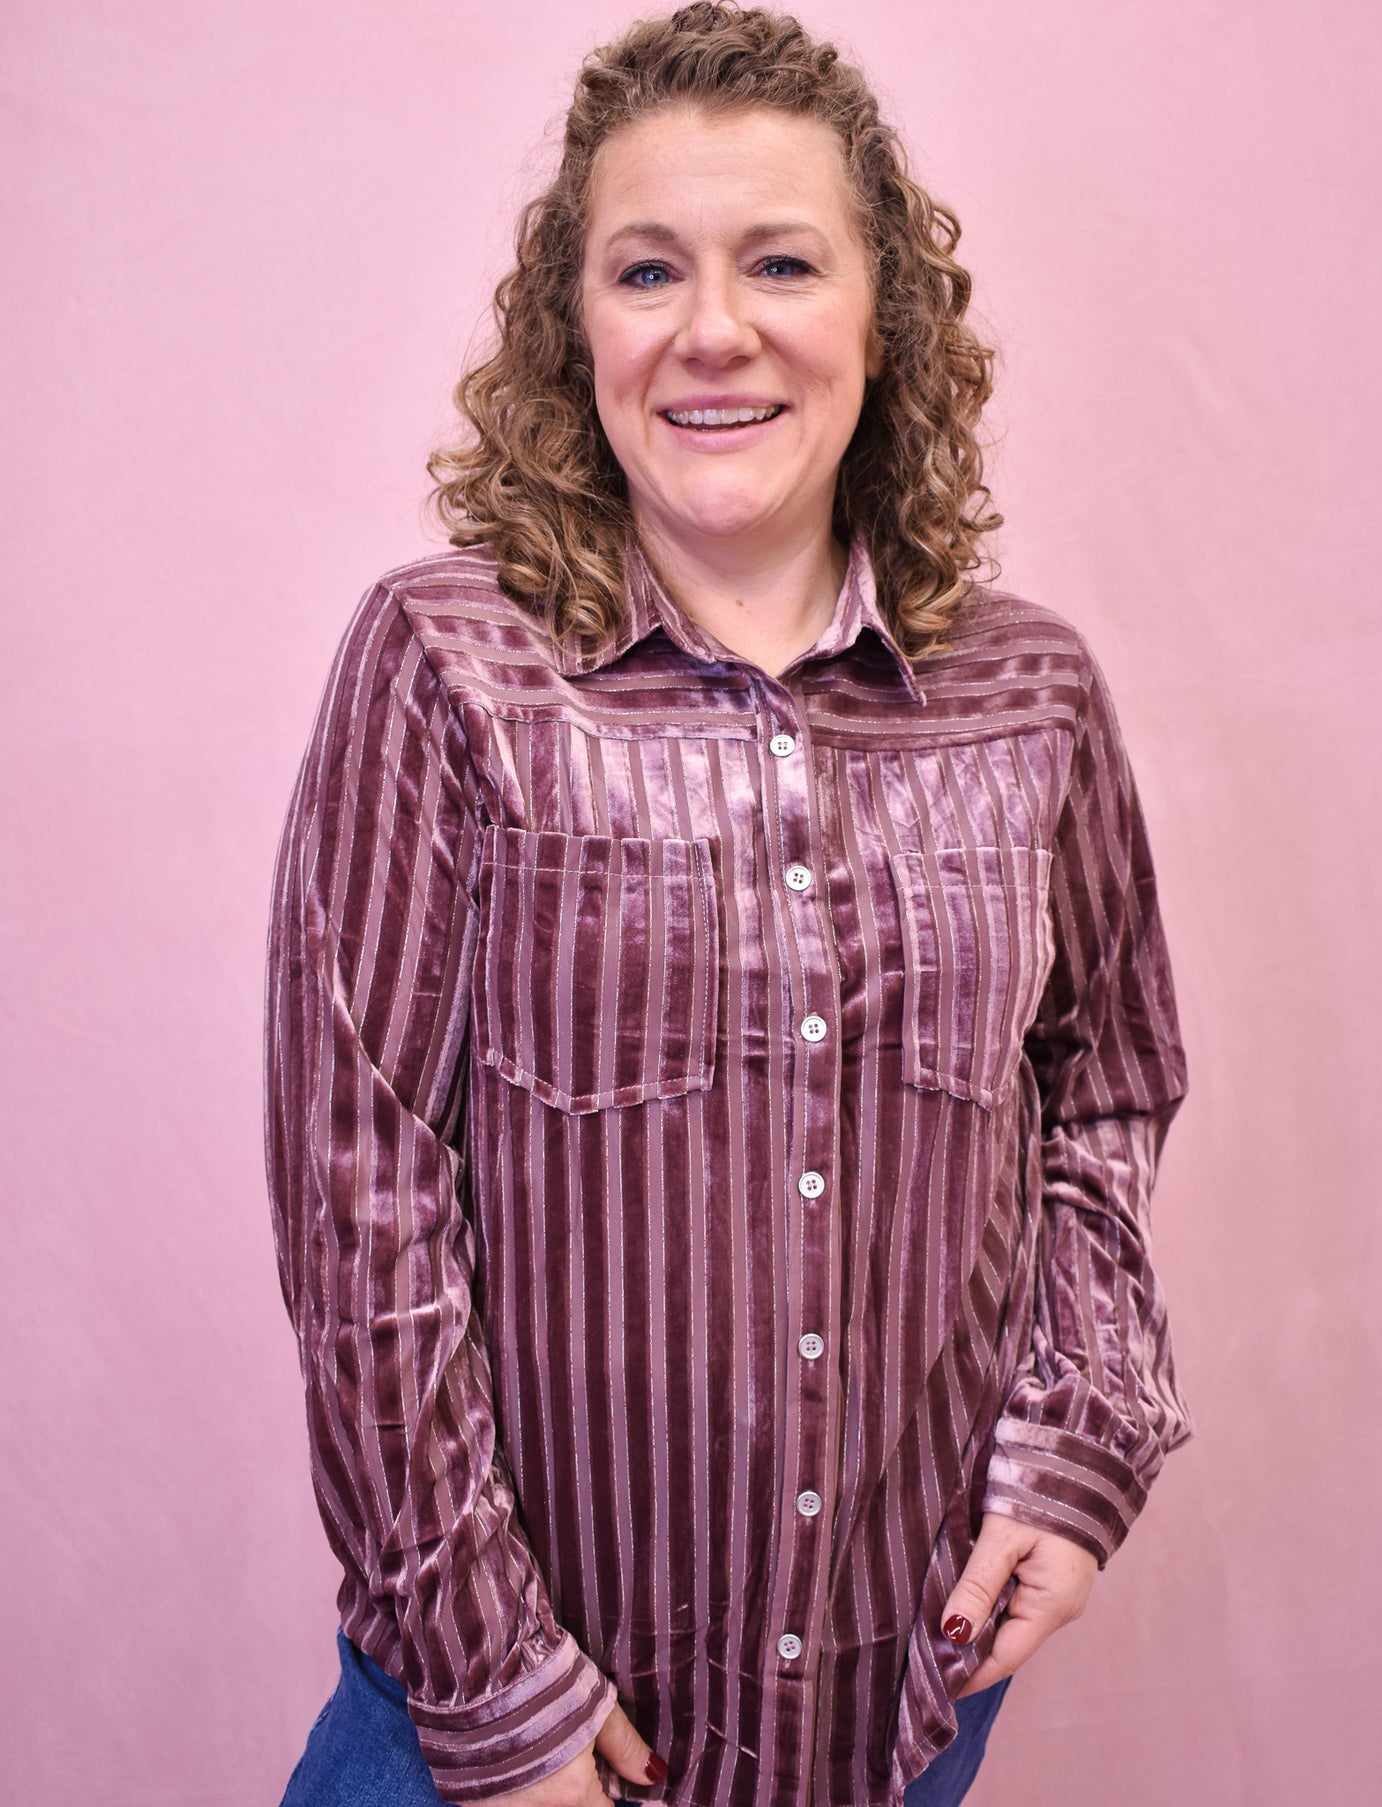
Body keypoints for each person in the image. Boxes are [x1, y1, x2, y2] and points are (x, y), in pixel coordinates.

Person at [263, 6, 1192, 1805]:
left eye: (780, 260)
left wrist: (1080, 1453)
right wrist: (494, 1691)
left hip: (894, 1710)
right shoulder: (445, 670)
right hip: (517, 1728)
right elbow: (356, 1209)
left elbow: (1103, 1093)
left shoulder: (1031, 696)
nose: (713, 328)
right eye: (644, 270)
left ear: (877, 319)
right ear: (576, 329)